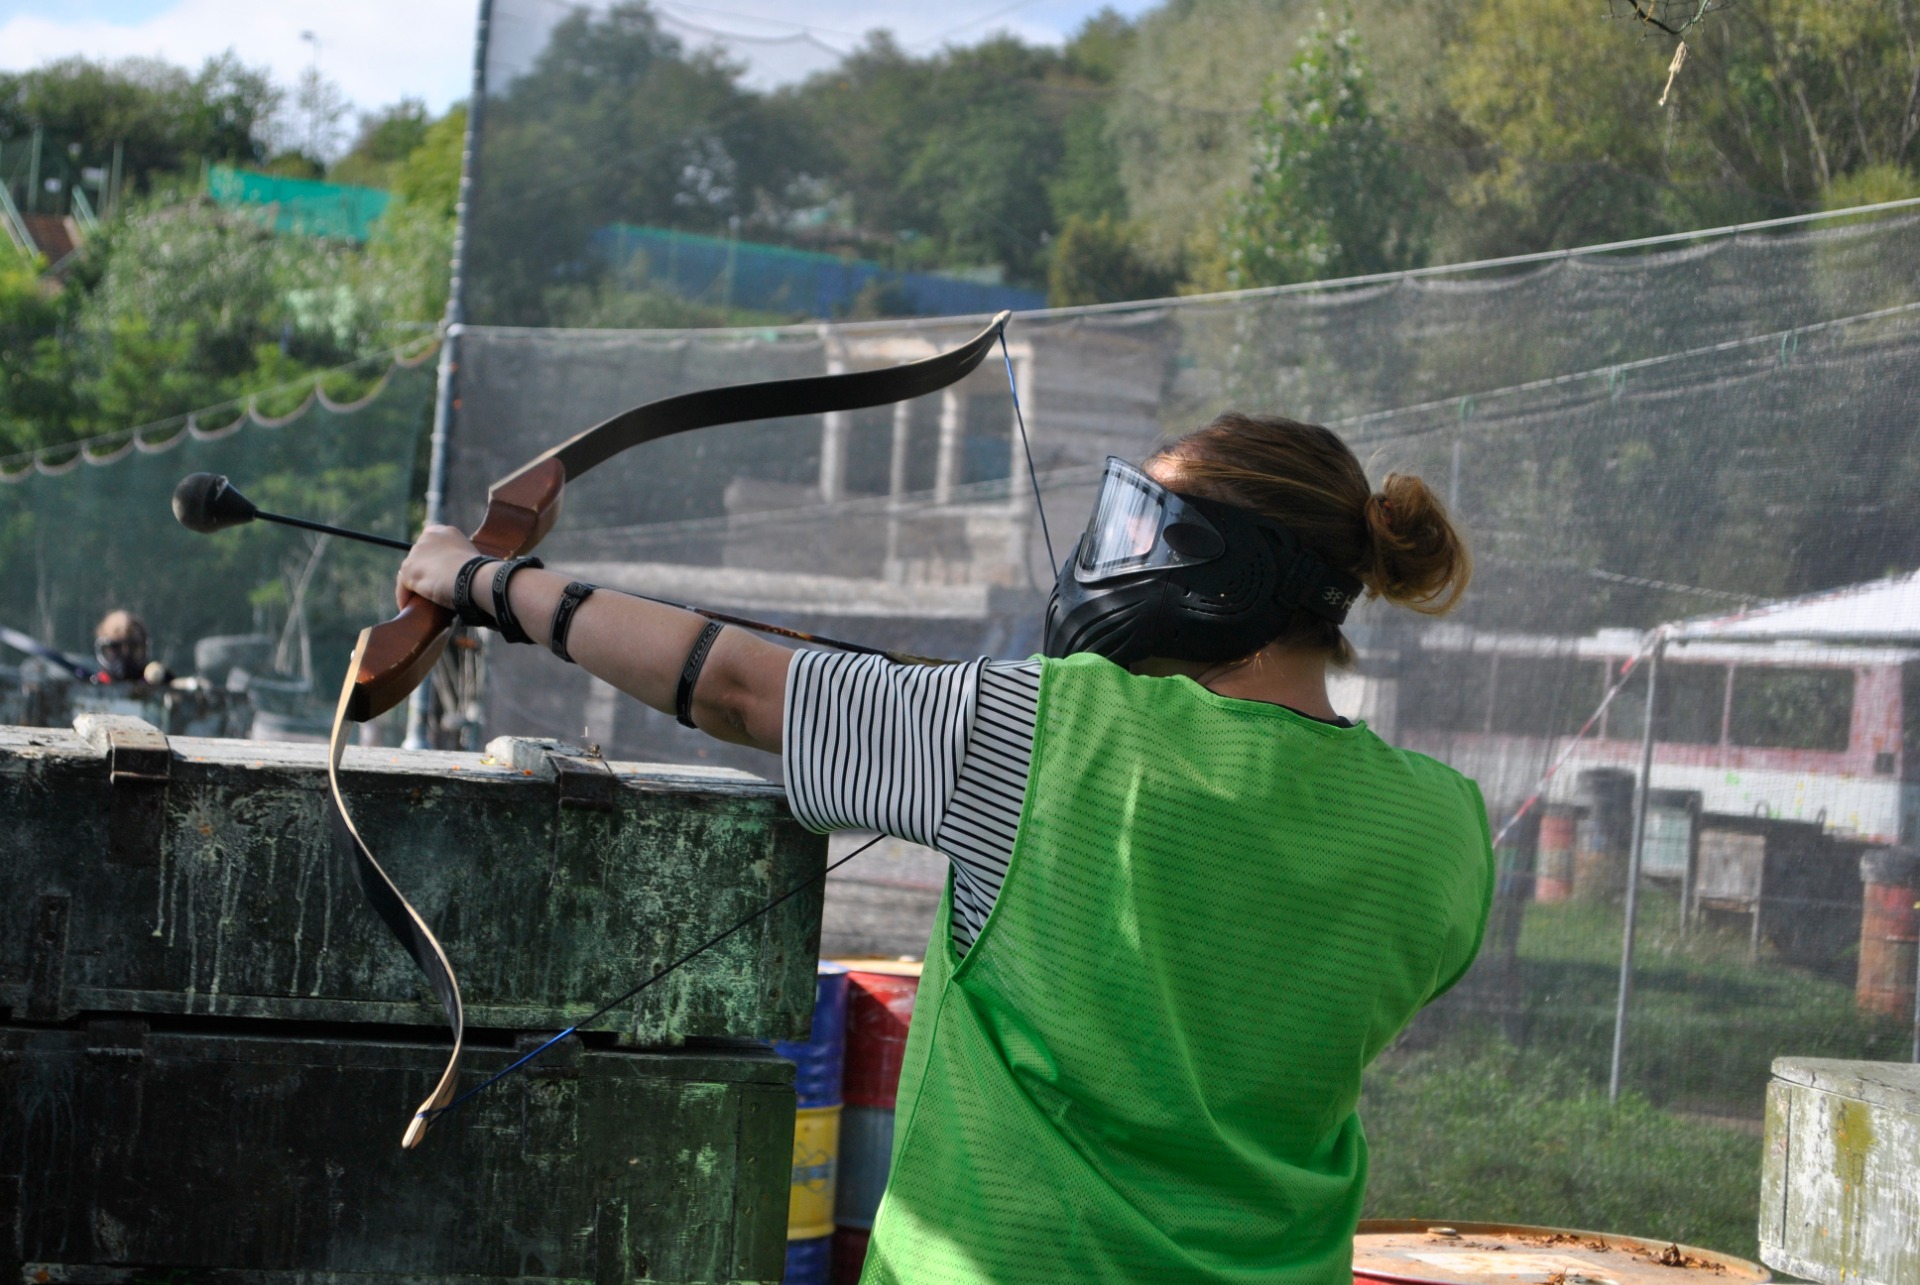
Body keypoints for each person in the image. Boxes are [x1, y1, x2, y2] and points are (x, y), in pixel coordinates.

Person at [396, 412, 1493, 1285]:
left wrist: (479, 579)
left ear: (1222, 572)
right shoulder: (1446, 827)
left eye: (1139, 530)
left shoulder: (1050, 728)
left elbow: (731, 686)